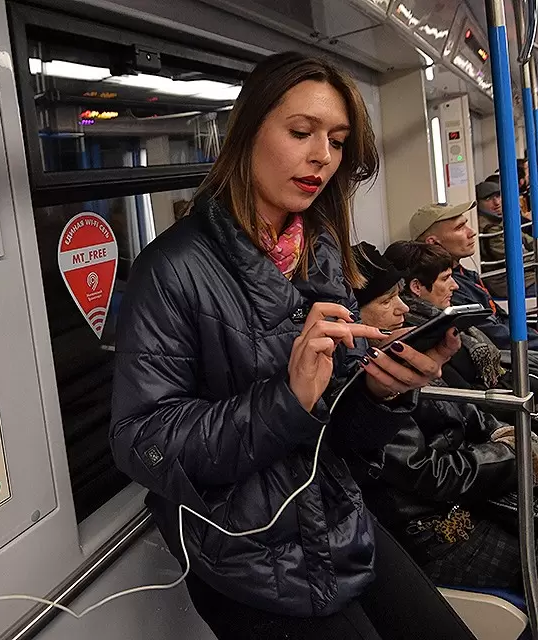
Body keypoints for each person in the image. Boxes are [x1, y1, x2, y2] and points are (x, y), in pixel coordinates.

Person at [110, 51, 469, 640]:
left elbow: (339, 427)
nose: (322, 157)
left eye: (337, 140)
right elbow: (142, 441)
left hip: (332, 512)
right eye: (301, 132)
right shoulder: (171, 270)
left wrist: (378, 390)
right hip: (244, 551)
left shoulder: (319, 251)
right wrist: (286, 398)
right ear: (247, 129)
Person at [350, 243, 538, 593]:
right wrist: (516, 456)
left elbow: (467, 413)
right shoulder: (362, 389)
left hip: (471, 492)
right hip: (438, 529)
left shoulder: (406, 353)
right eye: (387, 301)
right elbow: (426, 472)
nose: (403, 308)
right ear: (352, 315)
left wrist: (507, 434)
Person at [409, 201, 538, 350]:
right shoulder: (445, 289)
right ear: (433, 242)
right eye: (459, 228)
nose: (471, 232)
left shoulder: (465, 275)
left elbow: (501, 319)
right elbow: (495, 336)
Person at [382, 241, 506, 392]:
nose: (455, 286)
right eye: (445, 278)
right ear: (417, 287)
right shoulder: (425, 335)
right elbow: (466, 394)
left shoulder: (441, 320)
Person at [475, 180, 537, 298]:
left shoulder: (497, 220)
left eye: (498, 196)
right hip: (504, 281)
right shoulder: (489, 228)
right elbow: (511, 257)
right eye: (488, 199)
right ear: (478, 203)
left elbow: (526, 239)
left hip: (519, 274)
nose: (497, 203)